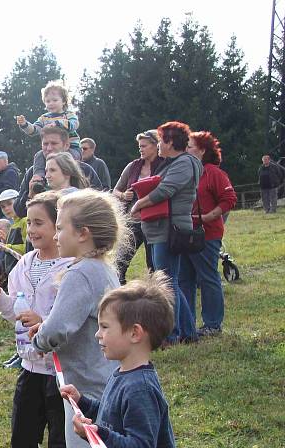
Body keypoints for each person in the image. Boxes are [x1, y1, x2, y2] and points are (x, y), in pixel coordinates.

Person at [27, 189, 125, 448]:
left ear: (82, 233)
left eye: (62, 228)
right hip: (106, 383)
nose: (56, 235)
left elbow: (58, 330)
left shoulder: (80, 273)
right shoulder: (102, 269)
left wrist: (39, 337)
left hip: (84, 392)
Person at [0, 191, 78, 448]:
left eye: (39, 223)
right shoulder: (24, 264)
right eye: (29, 223)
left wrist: (45, 320)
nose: (32, 230)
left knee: (61, 447)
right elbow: (18, 314)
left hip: (60, 372)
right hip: (30, 368)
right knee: (23, 439)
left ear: (59, 226)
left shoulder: (72, 268)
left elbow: (72, 320)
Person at [60, 272, 178, 448]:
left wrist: (97, 435)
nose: (97, 335)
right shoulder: (123, 372)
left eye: (104, 327)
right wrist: (84, 404)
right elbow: (111, 415)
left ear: (135, 333)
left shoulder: (141, 389)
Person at [130, 121, 203, 344]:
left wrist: (138, 204)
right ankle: (187, 333)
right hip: (158, 229)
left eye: (161, 140)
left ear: (170, 142)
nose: (159, 145)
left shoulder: (183, 163)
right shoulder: (173, 163)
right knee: (169, 281)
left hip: (169, 230)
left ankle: (170, 335)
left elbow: (166, 189)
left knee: (166, 283)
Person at [181, 131, 237, 337]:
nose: (185, 150)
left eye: (190, 147)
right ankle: (187, 324)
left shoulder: (212, 172)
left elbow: (229, 198)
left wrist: (210, 216)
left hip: (207, 234)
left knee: (207, 277)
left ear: (202, 151)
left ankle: (213, 324)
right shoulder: (185, 170)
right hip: (184, 233)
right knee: (184, 279)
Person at [17, 126, 104, 217]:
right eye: (45, 144)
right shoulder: (32, 172)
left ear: (66, 145)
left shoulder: (85, 170)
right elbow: (19, 212)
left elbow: (99, 205)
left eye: (54, 143)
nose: (49, 148)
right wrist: (30, 195)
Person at [113, 130, 163, 285]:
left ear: (156, 146)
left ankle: (156, 295)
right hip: (132, 220)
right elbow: (115, 190)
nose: (140, 149)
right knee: (121, 259)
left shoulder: (165, 165)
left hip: (156, 221)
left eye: (144, 146)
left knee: (153, 263)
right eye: (139, 146)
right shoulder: (133, 166)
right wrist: (123, 196)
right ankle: (118, 288)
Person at [17, 80, 82, 182]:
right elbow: (34, 130)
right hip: (51, 150)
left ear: (63, 101)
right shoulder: (44, 118)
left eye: (55, 100)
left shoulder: (68, 115)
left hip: (72, 148)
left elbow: (74, 125)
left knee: (67, 158)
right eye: (48, 101)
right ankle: (39, 177)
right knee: (39, 155)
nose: (51, 103)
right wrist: (24, 124)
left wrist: (58, 123)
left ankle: (70, 178)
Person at [0, 189, 27, 273]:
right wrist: (5, 242)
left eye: (9, 204)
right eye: (3, 206)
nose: (6, 208)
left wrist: (7, 247)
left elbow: (28, 249)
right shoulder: (13, 224)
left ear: (19, 202)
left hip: (23, 271)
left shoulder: (25, 221)